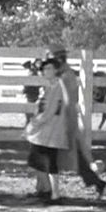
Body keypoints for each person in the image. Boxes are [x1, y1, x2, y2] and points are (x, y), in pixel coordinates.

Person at [46, 43, 106, 199]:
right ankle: (96, 182)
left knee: (54, 154)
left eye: (51, 58)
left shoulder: (66, 76)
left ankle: (52, 192)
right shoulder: (64, 73)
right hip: (66, 118)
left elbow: (66, 100)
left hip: (65, 118)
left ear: (58, 58)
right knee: (74, 154)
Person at [24, 58, 69, 204]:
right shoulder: (50, 86)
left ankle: (54, 194)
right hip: (44, 130)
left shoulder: (58, 87)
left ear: (56, 70)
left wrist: (33, 125)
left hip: (52, 129)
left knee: (50, 161)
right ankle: (43, 189)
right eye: (44, 69)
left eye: (49, 68)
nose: (45, 71)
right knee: (37, 159)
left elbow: (50, 112)